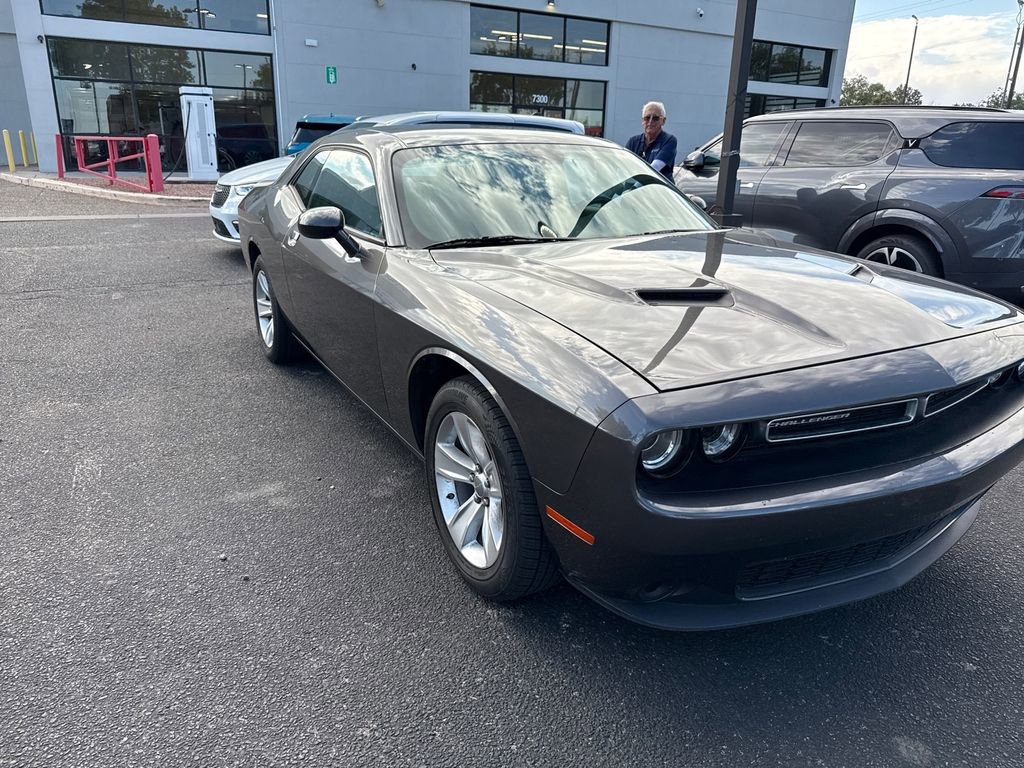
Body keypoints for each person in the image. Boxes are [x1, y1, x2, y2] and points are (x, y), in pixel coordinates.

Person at [626, 102, 677, 179]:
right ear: (642, 121)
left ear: (663, 121)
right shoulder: (633, 142)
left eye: (655, 118)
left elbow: (655, 168)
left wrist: (634, 186)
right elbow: (625, 167)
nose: (650, 121)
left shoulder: (669, 140)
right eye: (647, 118)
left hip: (658, 189)